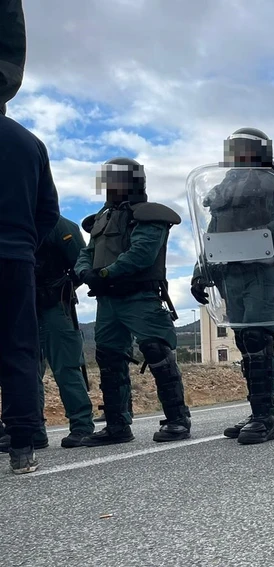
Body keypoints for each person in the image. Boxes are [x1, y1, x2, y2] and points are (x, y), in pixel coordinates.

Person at [190, 127, 274, 445]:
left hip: (261, 271)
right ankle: (258, 412)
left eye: (242, 148)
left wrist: (246, 237)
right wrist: (200, 271)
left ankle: (266, 417)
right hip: (229, 276)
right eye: (233, 149)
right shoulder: (224, 190)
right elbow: (210, 234)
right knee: (243, 340)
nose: (236, 155)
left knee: (257, 338)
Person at [76, 157, 191, 446]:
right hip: (108, 301)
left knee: (157, 353)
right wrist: (85, 272)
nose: (109, 187)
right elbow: (87, 252)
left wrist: (103, 273)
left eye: (114, 180)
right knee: (109, 359)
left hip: (139, 296)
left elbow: (142, 254)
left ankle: (178, 420)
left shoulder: (149, 215)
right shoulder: (101, 218)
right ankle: (117, 425)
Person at [0, 0, 60, 474]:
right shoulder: (30, 142)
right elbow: (50, 213)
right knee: (19, 348)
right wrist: (23, 244)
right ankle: (22, 446)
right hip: (15, 257)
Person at [34, 215, 95, 449]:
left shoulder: (58, 224)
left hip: (55, 305)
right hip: (24, 307)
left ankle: (81, 426)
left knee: (66, 367)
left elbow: (81, 263)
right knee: (27, 371)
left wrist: (62, 286)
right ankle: (33, 430)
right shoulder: (16, 220)